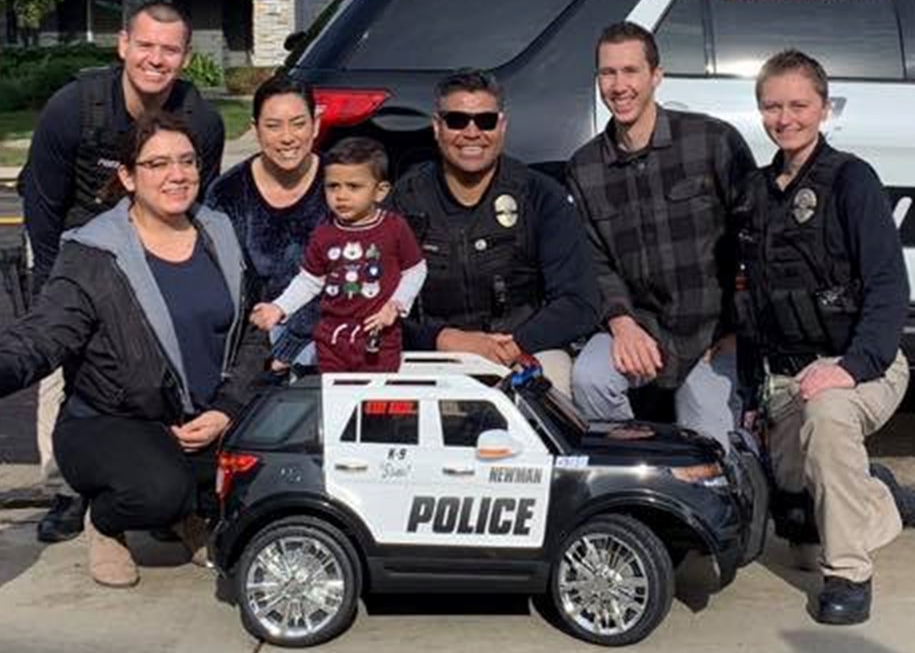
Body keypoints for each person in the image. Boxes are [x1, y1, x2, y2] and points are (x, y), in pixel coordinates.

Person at [0, 111, 270, 589]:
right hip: (110, 423)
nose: (176, 175)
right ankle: (107, 522)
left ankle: (187, 512)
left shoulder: (221, 233)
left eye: (186, 161)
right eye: (157, 164)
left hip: (204, 418)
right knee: (159, 491)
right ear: (128, 176)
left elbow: (254, 330)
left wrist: (227, 408)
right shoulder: (93, 254)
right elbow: (43, 334)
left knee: (263, 481)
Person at [735, 49, 915, 626]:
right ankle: (878, 499)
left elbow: (888, 289)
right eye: (772, 107)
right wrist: (755, 394)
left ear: (824, 108)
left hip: (862, 365)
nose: (786, 118)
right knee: (799, 533)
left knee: (827, 418)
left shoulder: (852, 180)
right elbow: (749, 302)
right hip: (786, 376)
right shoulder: (755, 193)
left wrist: (849, 367)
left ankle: (849, 573)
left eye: (799, 105)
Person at [17, 2, 228, 545]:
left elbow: (195, 199)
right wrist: (50, 298)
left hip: (152, 241)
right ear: (123, 46)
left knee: (150, 359)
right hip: (74, 246)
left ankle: (155, 478)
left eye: (170, 49)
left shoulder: (201, 120)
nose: (156, 59)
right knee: (64, 369)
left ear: (184, 56)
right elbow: (42, 209)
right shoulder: (73, 109)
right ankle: (66, 491)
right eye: (146, 45)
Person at [567, 23, 754, 447]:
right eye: (607, 73)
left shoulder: (711, 141)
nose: (619, 86)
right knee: (590, 377)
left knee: (714, 448)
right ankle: (638, 476)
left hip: (712, 330)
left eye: (630, 71)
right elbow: (592, 260)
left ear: (656, 75)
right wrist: (621, 321)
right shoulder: (585, 167)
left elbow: (754, 237)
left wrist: (738, 326)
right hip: (641, 326)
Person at [392, 69, 599, 393]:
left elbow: (580, 300)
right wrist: (443, 339)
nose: (472, 132)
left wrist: (515, 344)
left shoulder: (540, 196)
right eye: (457, 120)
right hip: (432, 354)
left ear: (502, 127)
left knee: (551, 386)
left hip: (525, 350)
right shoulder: (405, 201)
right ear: (437, 126)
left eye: (485, 121)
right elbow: (372, 300)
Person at [251, 138, 426, 373]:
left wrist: (396, 305)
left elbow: (415, 269)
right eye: (333, 186)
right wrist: (279, 308)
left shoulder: (394, 227)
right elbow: (309, 280)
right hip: (331, 341)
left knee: (375, 405)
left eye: (353, 187)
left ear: (380, 191)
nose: (341, 195)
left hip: (378, 340)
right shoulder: (325, 233)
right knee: (336, 405)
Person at [207, 75, 332, 369]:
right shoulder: (228, 193)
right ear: (256, 130)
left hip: (330, 338)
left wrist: (295, 340)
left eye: (298, 124)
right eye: (273, 126)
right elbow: (222, 285)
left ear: (315, 125)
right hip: (253, 343)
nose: (287, 137)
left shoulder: (340, 184)